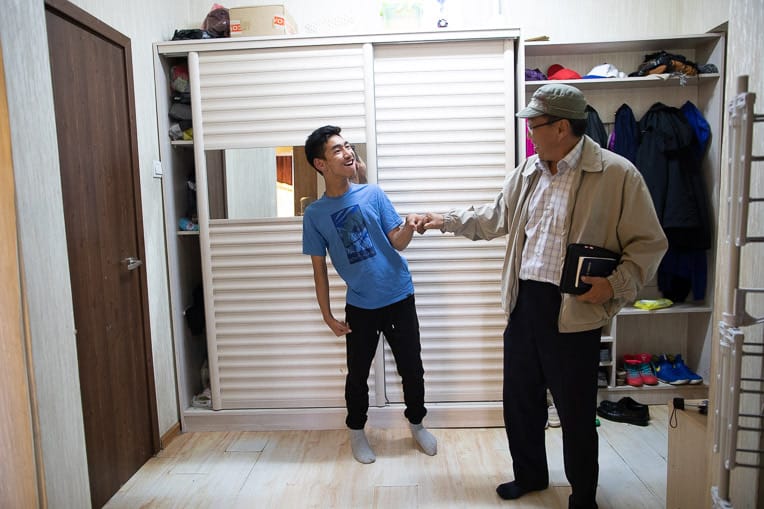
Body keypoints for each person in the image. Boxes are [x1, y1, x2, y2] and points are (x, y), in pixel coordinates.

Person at [420, 84, 667, 509]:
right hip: (524, 303)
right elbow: (493, 216)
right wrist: (443, 219)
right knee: (520, 399)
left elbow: (649, 244)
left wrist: (615, 285)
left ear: (563, 127)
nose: (530, 131)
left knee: (574, 411)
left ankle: (583, 494)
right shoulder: (528, 172)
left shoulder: (617, 174)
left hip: (575, 308)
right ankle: (530, 475)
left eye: (536, 124)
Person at [302, 125, 437, 464]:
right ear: (320, 164)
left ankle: (417, 424)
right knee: (357, 374)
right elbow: (318, 268)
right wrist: (327, 315)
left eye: (347, 147)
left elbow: (397, 242)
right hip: (360, 304)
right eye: (337, 149)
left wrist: (407, 226)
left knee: (412, 367)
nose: (347, 153)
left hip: (398, 294)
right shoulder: (315, 214)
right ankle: (357, 432)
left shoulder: (373, 194)